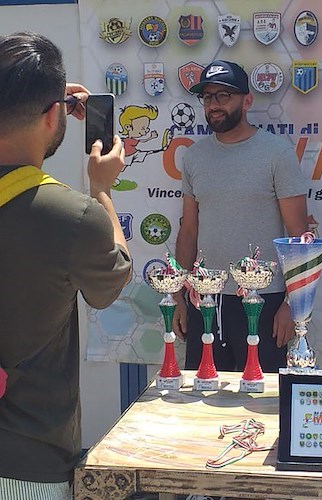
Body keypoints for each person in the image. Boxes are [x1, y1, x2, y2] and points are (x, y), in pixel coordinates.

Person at [0, 32, 132, 499]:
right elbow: (113, 279)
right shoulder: (72, 216)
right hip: (27, 465)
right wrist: (102, 190)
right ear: (55, 112)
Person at [173, 60, 309, 374]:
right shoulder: (195, 156)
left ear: (246, 101)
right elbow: (189, 231)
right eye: (208, 97)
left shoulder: (276, 153)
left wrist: (292, 304)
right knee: (205, 394)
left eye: (224, 96)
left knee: (261, 399)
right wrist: (178, 295)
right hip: (205, 299)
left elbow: (299, 233)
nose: (214, 106)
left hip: (265, 300)